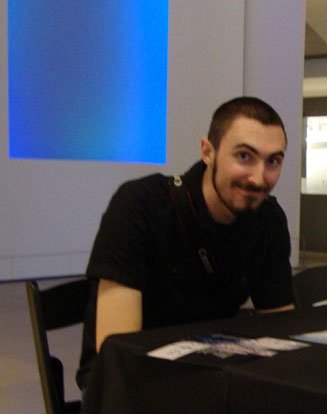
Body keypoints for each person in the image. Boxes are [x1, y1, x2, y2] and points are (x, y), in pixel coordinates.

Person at [78, 97, 295, 390]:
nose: (259, 178)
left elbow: (281, 326)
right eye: (244, 156)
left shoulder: (267, 219)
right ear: (208, 152)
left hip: (214, 372)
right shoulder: (141, 206)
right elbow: (117, 352)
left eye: (273, 161)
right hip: (129, 383)